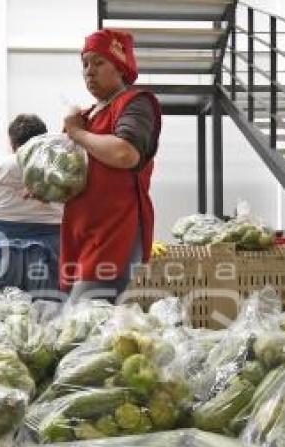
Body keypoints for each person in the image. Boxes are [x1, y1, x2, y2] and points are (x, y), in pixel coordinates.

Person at [59, 29, 162, 302]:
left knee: (82, 320)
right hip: (81, 231)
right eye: (84, 64)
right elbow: (74, 168)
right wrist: (47, 185)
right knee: (83, 323)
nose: (88, 71)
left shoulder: (135, 103)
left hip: (115, 231)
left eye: (98, 62)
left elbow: (125, 154)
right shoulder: (86, 116)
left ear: (121, 66)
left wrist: (77, 134)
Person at [0, 114, 63, 294]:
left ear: (12, 142)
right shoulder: (59, 167)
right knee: (49, 311)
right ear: (44, 139)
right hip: (50, 243)